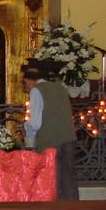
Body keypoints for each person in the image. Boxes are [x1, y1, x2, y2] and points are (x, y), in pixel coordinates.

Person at [22, 60, 79, 200]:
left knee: (52, 180)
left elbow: (35, 123)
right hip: (68, 138)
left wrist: (26, 128)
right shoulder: (61, 87)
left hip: (50, 141)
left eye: (25, 82)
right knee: (68, 179)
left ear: (30, 79)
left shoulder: (37, 90)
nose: (26, 86)